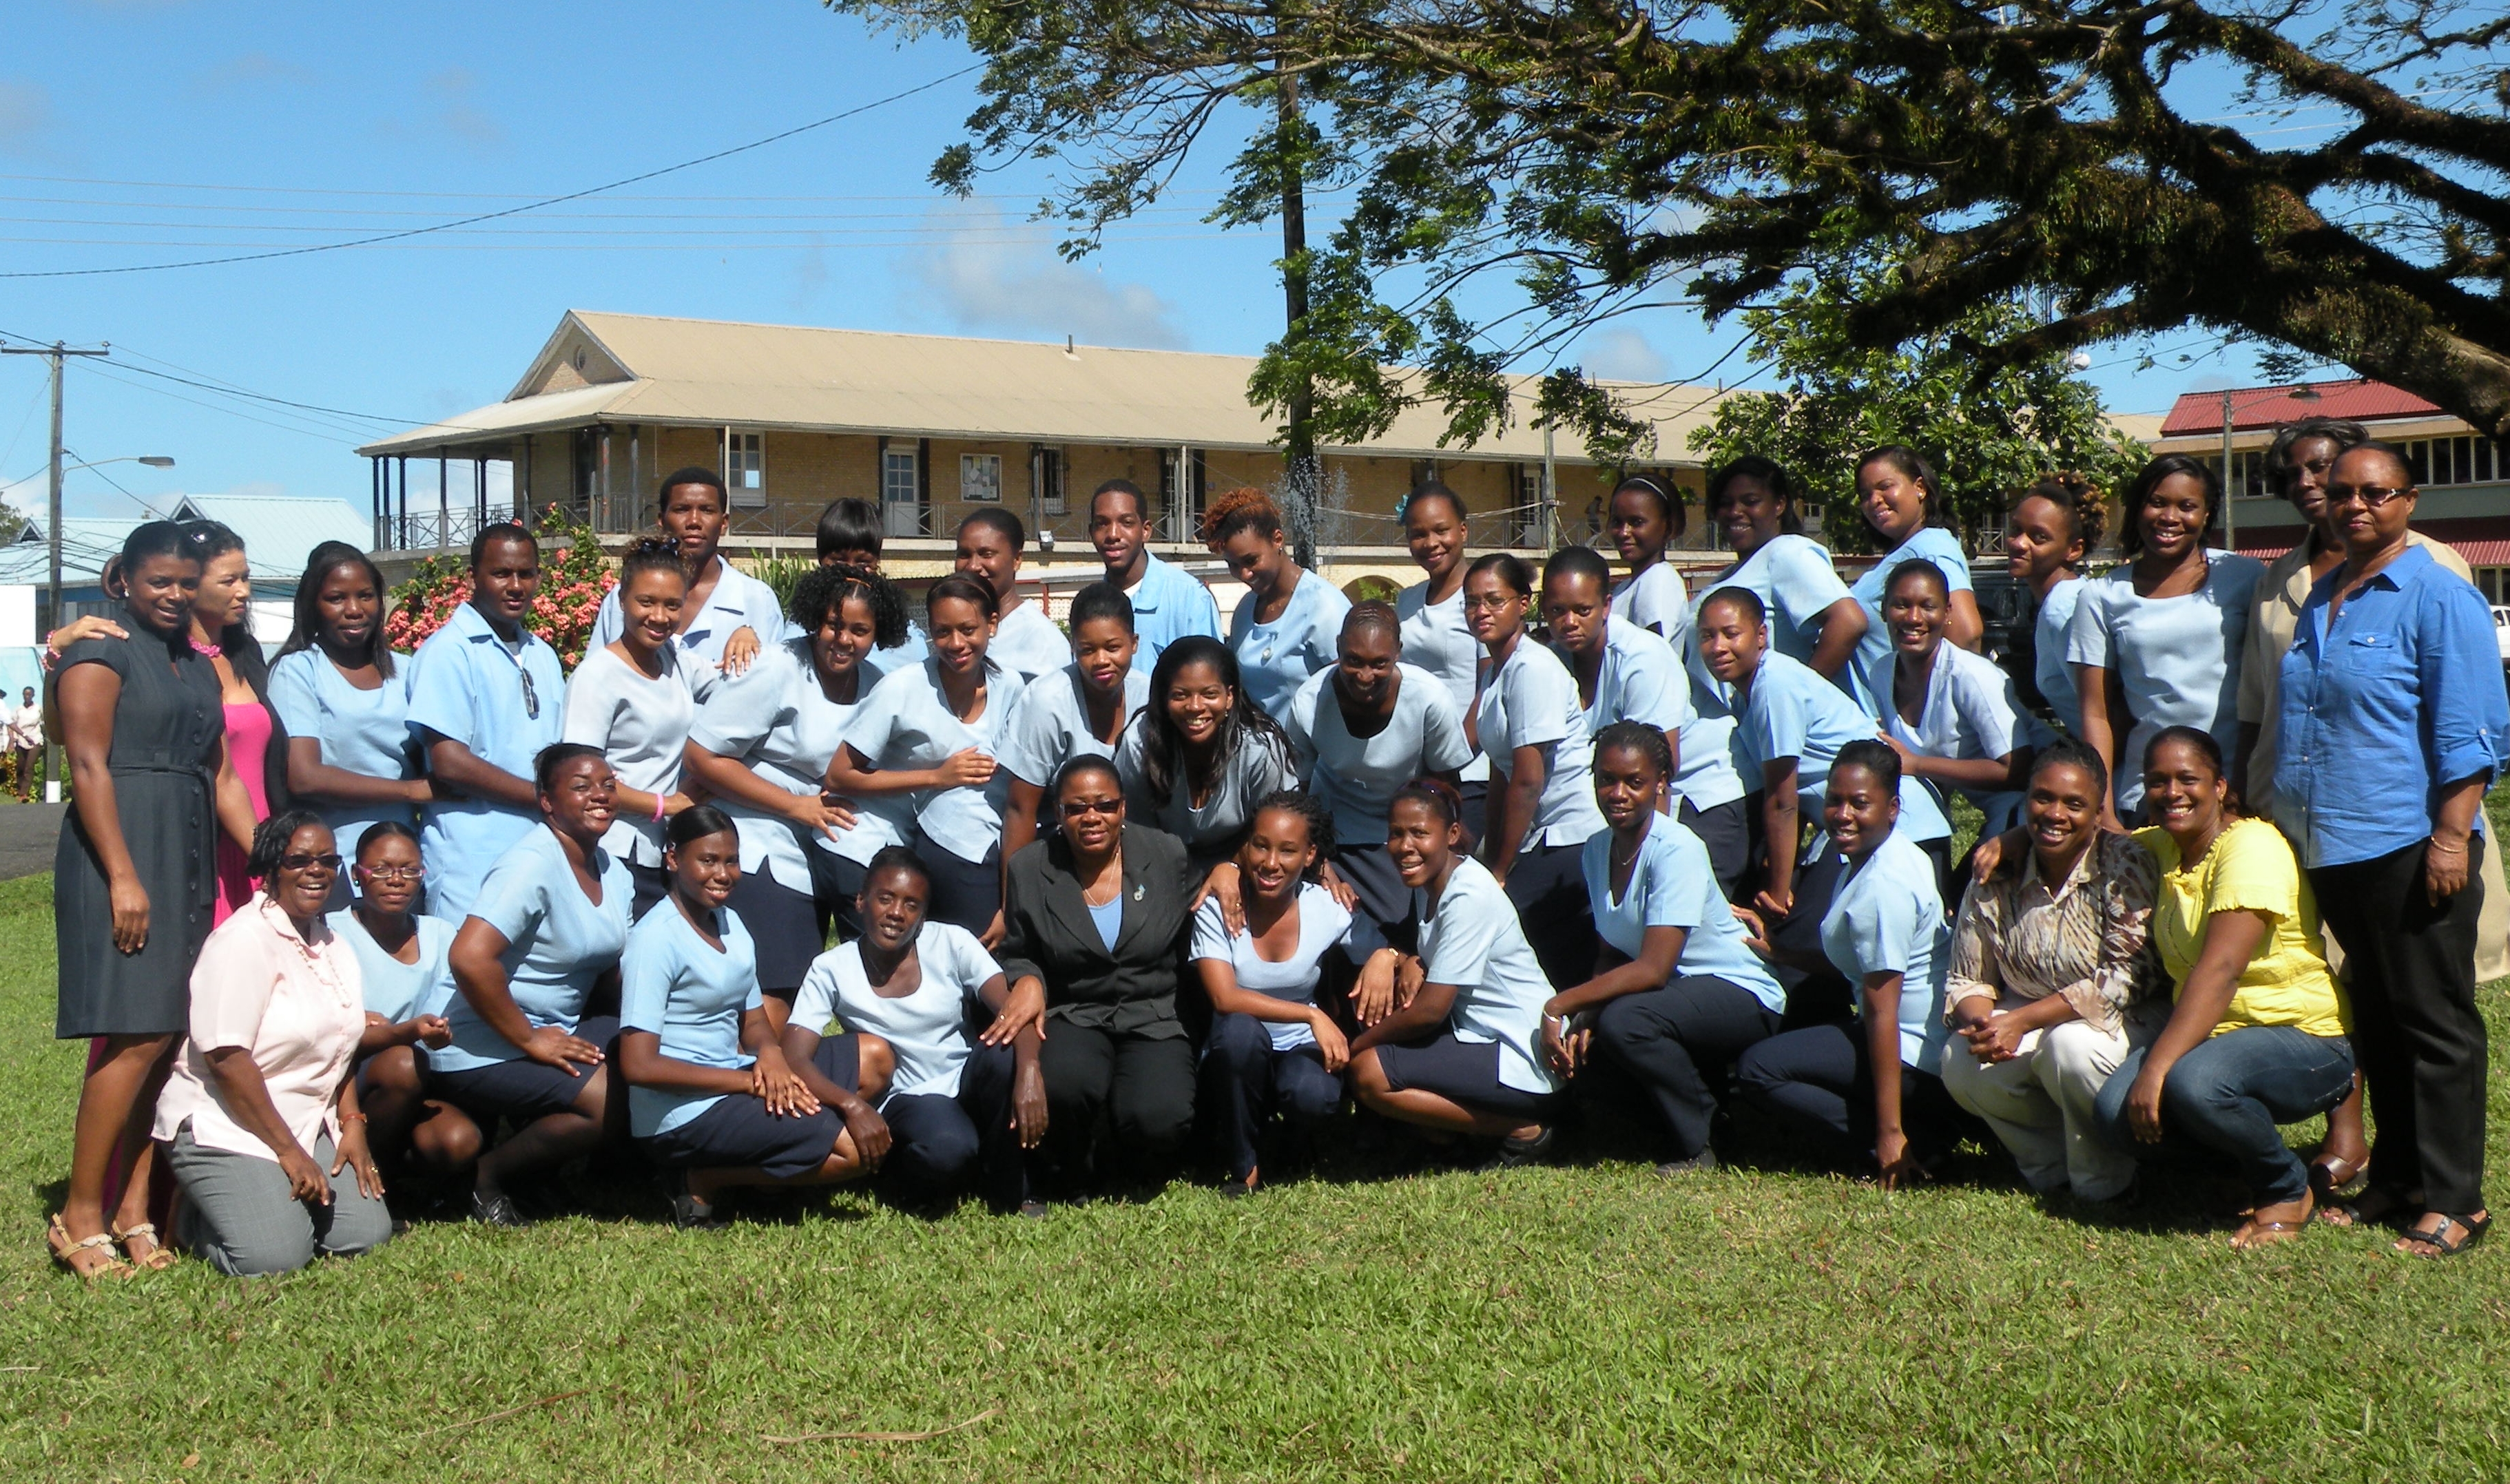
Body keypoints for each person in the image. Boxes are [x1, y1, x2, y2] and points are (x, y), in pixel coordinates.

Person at [2275, 442, 2507, 1256]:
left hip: (2412, 845)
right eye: (2341, 492)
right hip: (2334, 843)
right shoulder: (2322, 594)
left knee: (2434, 1024)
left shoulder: (2438, 596)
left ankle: (2456, 1201)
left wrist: (2451, 836)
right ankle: (2398, 1179)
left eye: (2374, 492)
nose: (2354, 505)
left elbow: (2471, 730)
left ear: (2408, 501)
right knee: (2375, 1020)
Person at [49, 523, 253, 1277]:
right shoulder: (99, 650)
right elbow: (88, 765)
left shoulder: (195, 665)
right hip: (122, 853)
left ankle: (134, 1210)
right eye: (156, 581)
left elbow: (224, 775)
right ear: (123, 580)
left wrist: (268, 857)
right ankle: (79, 1216)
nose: (172, 594)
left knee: (168, 1039)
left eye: (182, 581)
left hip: (188, 851)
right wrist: (124, 876)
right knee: (132, 1034)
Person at [2094, 728, 2354, 1248]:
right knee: (2113, 1114)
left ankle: (2285, 1185)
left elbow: (2221, 971)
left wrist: (2157, 1068)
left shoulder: (2251, 847)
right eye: (2158, 781)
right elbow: (2095, 839)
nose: (2172, 792)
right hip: (2218, 1033)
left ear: (2220, 786)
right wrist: (2011, 839)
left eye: (2188, 778)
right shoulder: (2167, 845)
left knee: (2195, 1083)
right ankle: (2234, 1163)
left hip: (2302, 1035)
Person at [616, 806, 882, 1228]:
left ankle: (774, 1169)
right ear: (672, 859)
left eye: (731, 861)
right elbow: (638, 1065)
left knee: (874, 1055)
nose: (722, 874)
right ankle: (703, 1177)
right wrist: (751, 1082)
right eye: (707, 860)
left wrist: (771, 1056)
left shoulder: (729, 921)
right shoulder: (655, 940)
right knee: (851, 1150)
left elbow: (754, 1018)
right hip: (684, 1111)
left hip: (737, 1074)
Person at [153, 813, 392, 1275]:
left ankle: (266, 1204)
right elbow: (226, 1058)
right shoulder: (242, 941)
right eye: (299, 859)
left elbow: (343, 1046)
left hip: (303, 1119)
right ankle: (192, 1222)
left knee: (364, 1234)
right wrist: (289, 1152)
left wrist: (352, 1122)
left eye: (327, 860)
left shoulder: (334, 945)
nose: (316, 870)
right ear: (270, 867)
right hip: (226, 1120)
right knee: (275, 1257)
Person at [1556, 723, 1786, 1174]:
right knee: (1591, 1051)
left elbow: (1653, 970)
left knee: (1626, 1021)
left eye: (1634, 781)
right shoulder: (1595, 849)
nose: (1617, 792)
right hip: (1673, 1000)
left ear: (1661, 781)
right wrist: (1586, 1012)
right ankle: (1711, 1113)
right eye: (1606, 778)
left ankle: (1702, 1141)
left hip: (1738, 993)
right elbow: (1610, 953)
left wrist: (1560, 1003)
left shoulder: (1675, 847)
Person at [1940, 740, 2163, 1203]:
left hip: (2129, 1018)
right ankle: (2053, 1168)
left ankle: (2106, 1184)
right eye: (2043, 797)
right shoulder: (1996, 870)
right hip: (2033, 1013)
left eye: (2074, 803)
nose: (2055, 813)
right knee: (1960, 1061)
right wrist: (1986, 1025)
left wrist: (2019, 1021)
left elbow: (2123, 981)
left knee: (2072, 1047)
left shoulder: (2124, 863)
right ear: (2026, 800)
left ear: (2099, 812)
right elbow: (1967, 977)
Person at [1734, 742, 1964, 1184]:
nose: (1843, 814)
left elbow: (1882, 1012)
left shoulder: (1884, 886)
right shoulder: (1881, 856)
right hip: (1915, 1043)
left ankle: (1908, 1144)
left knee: (1759, 1070)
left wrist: (1889, 1133)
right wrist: (1781, 953)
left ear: (1892, 808)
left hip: (1916, 1055)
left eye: (1861, 803)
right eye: (1834, 800)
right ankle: (1922, 1130)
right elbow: (1861, 963)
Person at [1695, 587, 1951, 983]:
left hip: (1899, 826)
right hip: (1849, 828)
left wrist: (1778, 895)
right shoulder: (1747, 693)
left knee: (1806, 947)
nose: (1718, 646)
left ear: (1761, 636)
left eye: (1731, 633)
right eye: (1707, 636)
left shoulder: (1773, 683)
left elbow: (1783, 800)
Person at [433, 744, 635, 1227]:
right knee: (608, 1099)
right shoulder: (531, 864)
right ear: (547, 801)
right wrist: (528, 1038)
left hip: (558, 1027)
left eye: (608, 784)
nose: (600, 795)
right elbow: (468, 956)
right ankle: (488, 1175)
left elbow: (614, 974)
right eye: (581, 786)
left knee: (649, 1060)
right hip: (482, 1040)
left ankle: (543, 1173)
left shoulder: (615, 871)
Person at [685, 565, 909, 994]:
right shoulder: (777, 666)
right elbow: (702, 756)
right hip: (756, 837)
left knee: (809, 984)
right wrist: (795, 806)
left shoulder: (878, 686)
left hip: (819, 848)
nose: (843, 640)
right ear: (815, 620)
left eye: (859, 631)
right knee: (775, 983)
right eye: (833, 625)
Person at [992, 757, 1199, 1205]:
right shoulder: (1030, 867)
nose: (1092, 817)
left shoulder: (1166, 854)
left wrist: (1228, 871)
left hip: (1153, 1012)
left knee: (1158, 1116)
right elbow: (1017, 950)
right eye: (1076, 808)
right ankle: (1073, 1168)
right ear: (1059, 812)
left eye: (1104, 805)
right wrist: (1028, 978)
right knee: (1064, 1085)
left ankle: (1124, 1157)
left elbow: (1202, 905)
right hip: (1076, 1010)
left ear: (1123, 808)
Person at [785, 846, 1030, 1213]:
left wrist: (1030, 1072)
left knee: (1005, 1053)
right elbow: (794, 1054)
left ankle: (1011, 1183)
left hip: (963, 1078)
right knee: (948, 1148)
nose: (897, 913)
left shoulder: (950, 942)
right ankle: (900, 1172)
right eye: (885, 899)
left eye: (911, 904)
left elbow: (1012, 1009)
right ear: (861, 901)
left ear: (923, 915)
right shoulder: (831, 968)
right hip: (908, 1098)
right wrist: (851, 1105)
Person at [1349, 781, 1564, 1167]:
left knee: (1369, 1072)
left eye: (1419, 833)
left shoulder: (1468, 895)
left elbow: (1431, 1011)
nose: (1405, 846)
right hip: (1476, 1035)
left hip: (1522, 1055)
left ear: (1451, 835)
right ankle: (1444, 1138)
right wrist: (1401, 956)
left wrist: (1357, 1045)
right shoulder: (1429, 881)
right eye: (1396, 834)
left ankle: (1522, 1129)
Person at [1194, 792, 1396, 1194]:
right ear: (1246, 846)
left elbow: (1385, 950)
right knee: (1238, 1033)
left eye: (1288, 850)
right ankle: (1244, 1164)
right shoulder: (1220, 907)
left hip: (1298, 1048)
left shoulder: (1326, 905)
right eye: (1261, 845)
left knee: (1314, 1096)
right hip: (1235, 1052)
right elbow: (1224, 998)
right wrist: (1312, 1015)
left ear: (1309, 856)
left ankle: (1294, 1138)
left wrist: (1385, 957)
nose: (1271, 863)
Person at [2066, 454, 2265, 826]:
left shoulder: (2245, 577)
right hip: (2150, 797)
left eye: (2187, 506)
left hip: (2237, 790)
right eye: (2157, 502)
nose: (2170, 517)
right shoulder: (2101, 596)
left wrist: (2244, 789)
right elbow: (2096, 714)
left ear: (2207, 514)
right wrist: (2104, 810)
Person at [830, 572, 1029, 942]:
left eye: (968, 629)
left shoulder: (1010, 686)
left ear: (993, 624)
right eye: (942, 632)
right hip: (902, 843)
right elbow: (839, 775)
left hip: (971, 839)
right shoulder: (902, 688)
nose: (956, 643)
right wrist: (937, 776)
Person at [1542, 545, 1750, 889]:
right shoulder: (1554, 660)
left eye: (1583, 610)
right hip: (1630, 801)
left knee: (1679, 917)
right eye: (1557, 611)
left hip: (1700, 796)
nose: (1569, 622)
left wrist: (1646, 871)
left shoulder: (1642, 658)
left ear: (1607, 605)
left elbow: (1660, 771)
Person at [401, 523, 568, 922]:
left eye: (526, 574)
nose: (515, 586)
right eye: (501, 574)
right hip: (471, 860)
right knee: (466, 975)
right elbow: (451, 763)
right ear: (473, 576)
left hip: (540, 853)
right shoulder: (450, 652)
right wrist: (546, 799)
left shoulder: (542, 654)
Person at [1464, 552, 1608, 990]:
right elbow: (1500, 775)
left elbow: (1529, 779)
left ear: (1524, 603)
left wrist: (1501, 871)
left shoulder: (1532, 667)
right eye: (1471, 603)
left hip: (1570, 835)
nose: (1481, 612)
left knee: (1505, 931)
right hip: (1539, 838)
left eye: (1494, 600)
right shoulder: (1497, 673)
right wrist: (1489, 861)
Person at [1283, 603, 1472, 930]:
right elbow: (1293, 791)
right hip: (1332, 833)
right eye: (1353, 661)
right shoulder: (1310, 700)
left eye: (1379, 663)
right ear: (1339, 647)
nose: (1365, 676)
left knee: (1401, 926)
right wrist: (1316, 857)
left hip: (1398, 833)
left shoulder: (1429, 699)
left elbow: (1445, 787)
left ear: (1398, 652)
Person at [561, 539, 711, 919]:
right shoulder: (598, 676)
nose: (659, 617)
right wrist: (667, 805)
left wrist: (746, 636)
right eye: (646, 602)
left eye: (672, 605)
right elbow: (581, 782)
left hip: (659, 852)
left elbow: (733, 683)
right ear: (621, 600)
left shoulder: (674, 659)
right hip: (611, 851)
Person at [269, 542, 425, 897]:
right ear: (313, 605)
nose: (354, 610)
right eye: (337, 598)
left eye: (365, 596)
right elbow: (304, 777)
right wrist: (410, 790)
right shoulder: (299, 671)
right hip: (334, 863)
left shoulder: (409, 669)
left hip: (401, 864)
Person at [331, 821, 481, 1186]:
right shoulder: (331, 932)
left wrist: (440, 1033)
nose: (396, 880)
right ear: (356, 874)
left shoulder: (441, 935)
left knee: (457, 1141)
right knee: (402, 1062)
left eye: (409, 870)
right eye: (380, 869)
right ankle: (360, 1179)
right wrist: (405, 1032)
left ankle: (401, 1182)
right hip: (345, 1077)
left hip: (414, 1081)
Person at [1869, 560, 2035, 839]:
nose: (1913, 617)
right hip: (1990, 816)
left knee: (1970, 882)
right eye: (1901, 605)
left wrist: (1916, 764)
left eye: (1927, 606)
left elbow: (2018, 769)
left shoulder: (1973, 676)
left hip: (2029, 813)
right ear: (1884, 611)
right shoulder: (1881, 673)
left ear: (1947, 613)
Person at [998, 583, 1147, 884]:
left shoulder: (1150, 697)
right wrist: (1015, 905)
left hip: (1130, 847)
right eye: (1087, 650)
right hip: (1057, 848)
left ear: (1134, 643)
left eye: (1113, 647)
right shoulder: (1046, 702)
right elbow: (1020, 809)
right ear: (1072, 648)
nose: (1101, 660)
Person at [1114, 636, 1299, 877]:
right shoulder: (1140, 742)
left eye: (1209, 694)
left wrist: (1232, 866)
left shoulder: (1259, 747)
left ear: (1229, 696)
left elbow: (1281, 827)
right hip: (1162, 865)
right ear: (1164, 697)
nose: (1195, 706)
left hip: (1246, 863)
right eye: (1180, 695)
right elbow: (1133, 829)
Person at [586, 468, 794, 674]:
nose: (694, 521)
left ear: (724, 523)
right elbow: (594, 679)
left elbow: (776, 687)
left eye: (707, 510)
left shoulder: (757, 601)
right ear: (661, 520)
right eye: (681, 509)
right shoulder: (621, 600)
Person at [183, 521, 289, 921]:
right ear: (189, 584)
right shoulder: (174, 663)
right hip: (210, 847)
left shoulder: (247, 654)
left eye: (246, 578)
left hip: (262, 835)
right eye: (229, 580)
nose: (243, 590)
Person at [1688, 455, 1865, 681]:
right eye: (1725, 503)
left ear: (1779, 504)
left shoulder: (1787, 552)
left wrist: (1802, 697)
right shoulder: (1734, 572)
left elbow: (1849, 621)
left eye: (1750, 501)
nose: (1735, 512)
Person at [1844, 447, 1981, 713]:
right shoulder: (1906, 550)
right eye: (1865, 495)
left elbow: (1966, 634)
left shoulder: (1931, 546)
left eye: (1885, 487)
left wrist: (1924, 714)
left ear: (1920, 488)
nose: (1874, 500)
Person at [1391, 483, 1491, 837]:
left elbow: (1490, 687)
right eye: (1418, 534)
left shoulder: (1483, 599)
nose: (1430, 542)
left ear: (1462, 530)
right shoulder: (1407, 601)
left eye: (1441, 530)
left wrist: (1451, 757)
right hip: (1416, 772)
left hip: (1469, 773)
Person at [1207, 486, 1353, 721]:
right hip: (1260, 752)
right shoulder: (1246, 609)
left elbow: (1353, 689)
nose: (1244, 574)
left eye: (1251, 560)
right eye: (1232, 565)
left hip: (1312, 754)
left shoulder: (1324, 606)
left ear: (1277, 540)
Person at [2002, 474, 2102, 735]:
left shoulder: (2063, 608)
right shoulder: (2062, 600)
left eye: (2038, 537)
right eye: (2015, 531)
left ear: (2074, 549)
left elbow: (2103, 714)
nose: (2018, 543)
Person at [1090, 479, 1219, 665]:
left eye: (1126, 523)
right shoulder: (1092, 605)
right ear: (1091, 533)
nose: (1113, 535)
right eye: (1102, 524)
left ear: (1146, 531)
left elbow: (1210, 680)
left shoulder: (1190, 598)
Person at [957, 507, 1068, 683]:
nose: (973, 566)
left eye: (986, 554)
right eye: (964, 555)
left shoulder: (1042, 641)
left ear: (1017, 560)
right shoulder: (954, 633)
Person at [816, 497, 930, 663]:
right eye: (839, 561)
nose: (851, 571)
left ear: (877, 563)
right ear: (821, 560)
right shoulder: (797, 636)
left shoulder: (907, 644)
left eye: (863, 563)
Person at [1605, 472, 1691, 645]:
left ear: (1668, 527)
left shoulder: (1658, 578)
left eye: (1636, 522)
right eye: (1617, 522)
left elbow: (1651, 656)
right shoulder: (1625, 587)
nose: (1624, 532)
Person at [11, 684, 43, 802]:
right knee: (21, 766)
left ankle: (24, 793)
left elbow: (44, 722)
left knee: (29, 767)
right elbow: (12, 724)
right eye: (25, 694)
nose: (27, 697)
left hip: (35, 740)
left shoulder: (38, 708)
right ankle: (19, 788)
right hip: (21, 740)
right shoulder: (18, 709)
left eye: (29, 694)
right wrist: (13, 739)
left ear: (33, 695)